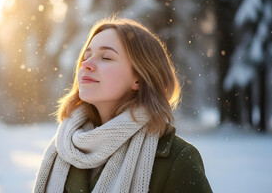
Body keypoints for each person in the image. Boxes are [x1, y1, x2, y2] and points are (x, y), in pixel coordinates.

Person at [33, 18, 212, 193]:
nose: (86, 65)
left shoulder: (177, 161)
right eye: (87, 56)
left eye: (106, 57)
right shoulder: (63, 149)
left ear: (139, 77)